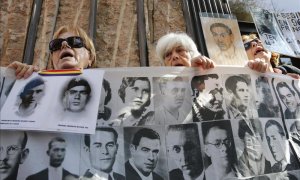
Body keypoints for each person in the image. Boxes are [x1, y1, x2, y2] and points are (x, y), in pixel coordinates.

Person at [8, 25, 96, 79]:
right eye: (56, 44)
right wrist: (10, 78)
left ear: (90, 57)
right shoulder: (34, 85)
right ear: (53, 62)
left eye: (74, 41)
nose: (64, 44)